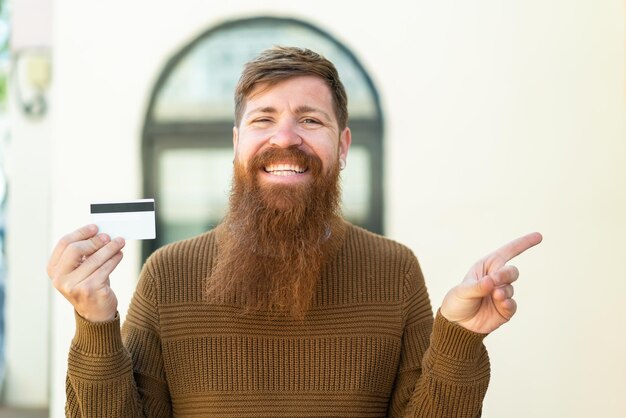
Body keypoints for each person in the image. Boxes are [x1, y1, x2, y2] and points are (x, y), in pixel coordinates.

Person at [47, 46, 542, 417]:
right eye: (264, 119)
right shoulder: (168, 275)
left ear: (343, 146)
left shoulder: (396, 271)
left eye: (310, 119)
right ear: (237, 144)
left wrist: (459, 337)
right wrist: (94, 324)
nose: (286, 138)